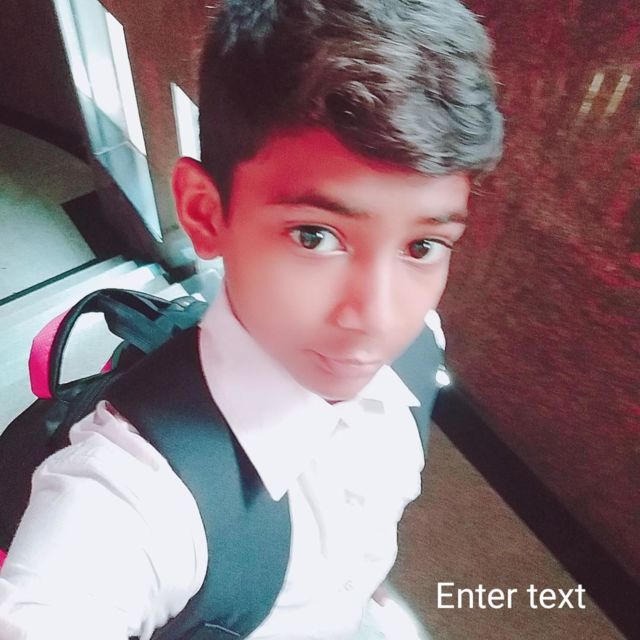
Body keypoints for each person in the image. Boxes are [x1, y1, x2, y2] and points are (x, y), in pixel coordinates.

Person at [0, 0, 503, 638]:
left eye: (421, 247)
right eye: (315, 236)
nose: (378, 317)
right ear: (205, 213)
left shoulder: (418, 348)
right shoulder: (130, 495)